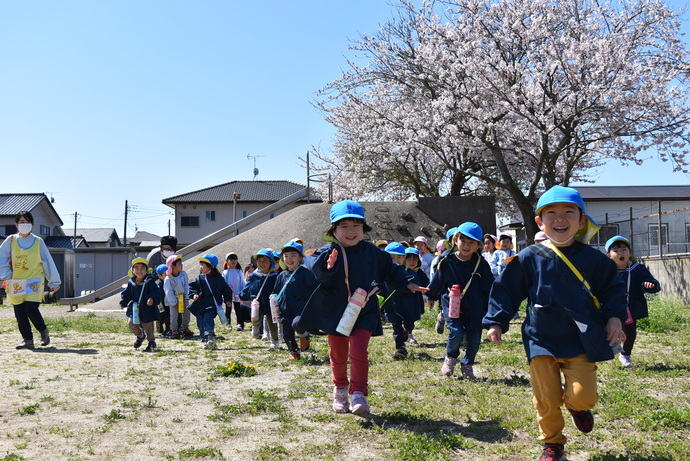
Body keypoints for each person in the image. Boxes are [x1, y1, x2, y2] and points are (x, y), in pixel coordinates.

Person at [483, 185, 627, 461]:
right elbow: (507, 290)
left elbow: (612, 290)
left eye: (568, 212)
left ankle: (577, 408)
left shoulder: (594, 259)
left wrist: (614, 317)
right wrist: (496, 321)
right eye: (551, 213)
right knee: (546, 398)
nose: (560, 218)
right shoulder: (529, 257)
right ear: (540, 222)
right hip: (541, 338)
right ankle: (553, 445)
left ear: (581, 220)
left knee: (584, 396)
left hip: (581, 338)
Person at [295, 200, 427, 414]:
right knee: (338, 355)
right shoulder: (328, 251)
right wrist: (327, 267)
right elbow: (316, 271)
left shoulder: (371, 252)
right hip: (335, 311)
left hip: (364, 309)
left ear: (363, 228)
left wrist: (406, 282)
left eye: (356, 225)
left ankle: (358, 393)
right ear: (333, 229)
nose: (350, 231)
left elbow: (390, 270)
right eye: (344, 226)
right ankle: (340, 389)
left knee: (358, 352)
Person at [426, 223, 494, 379]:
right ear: (456, 240)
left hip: (476, 306)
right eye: (463, 240)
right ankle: (450, 357)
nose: (467, 245)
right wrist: (431, 296)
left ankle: (468, 364)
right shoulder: (446, 260)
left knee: (475, 338)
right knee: (456, 332)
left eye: (472, 242)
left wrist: (492, 306)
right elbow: (437, 280)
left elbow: (489, 287)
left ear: (478, 245)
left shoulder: (481, 264)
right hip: (452, 305)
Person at [0, 211, 61, 349]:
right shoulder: (10, 240)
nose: (25, 224)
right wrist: (6, 276)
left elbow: (47, 261)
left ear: (32, 225)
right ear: (16, 224)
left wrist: (54, 282)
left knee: (31, 310)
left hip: (34, 282)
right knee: (20, 313)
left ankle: (43, 331)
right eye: (22, 222)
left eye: (27, 222)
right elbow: (1, 259)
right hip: (16, 282)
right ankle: (27, 340)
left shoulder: (38, 241)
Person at [605, 236, 661, 367]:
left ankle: (625, 355)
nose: (621, 253)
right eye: (616, 250)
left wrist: (648, 284)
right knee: (610, 331)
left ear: (630, 253)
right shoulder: (606, 270)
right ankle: (607, 351)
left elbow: (653, 283)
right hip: (611, 307)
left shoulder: (638, 269)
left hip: (630, 308)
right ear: (609, 255)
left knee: (630, 333)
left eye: (624, 250)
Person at [272, 241, 318, 360]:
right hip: (285, 310)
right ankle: (294, 352)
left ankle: (304, 335)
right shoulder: (281, 275)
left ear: (300, 258)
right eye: (286, 256)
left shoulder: (305, 273)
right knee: (287, 334)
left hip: (300, 309)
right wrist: (272, 297)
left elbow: (316, 288)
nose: (289, 259)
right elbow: (276, 291)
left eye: (293, 255)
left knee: (297, 324)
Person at [188, 254, 233, 350]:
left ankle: (211, 337)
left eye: (202, 265)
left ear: (210, 266)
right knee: (200, 322)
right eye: (200, 264)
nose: (200, 267)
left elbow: (226, 290)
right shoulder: (200, 278)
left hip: (212, 304)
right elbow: (192, 287)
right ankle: (206, 341)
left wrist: (227, 299)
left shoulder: (218, 278)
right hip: (200, 304)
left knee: (207, 319)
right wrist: (194, 294)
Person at [120, 258, 162, 352]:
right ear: (132, 270)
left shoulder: (149, 281)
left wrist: (151, 298)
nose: (139, 270)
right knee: (131, 324)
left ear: (146, 270)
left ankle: (151, 342)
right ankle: (140, 336)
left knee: (148, 326)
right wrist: (123, 303)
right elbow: (126, 294)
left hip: (147, 308)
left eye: (142, 268)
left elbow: (155, 291)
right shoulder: (131, 282)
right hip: (135, 308)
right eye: (137, 268)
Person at [239, 249, 279, 349]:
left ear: (271, 262)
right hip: (257, 302)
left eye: (265, 260)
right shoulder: (254, 276)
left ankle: (275, 341)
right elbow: (247, 287)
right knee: (255, 317)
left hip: (271, 304)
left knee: (272, 323)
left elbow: (279, 288)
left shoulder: (275, 276)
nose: (262, 263)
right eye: (259, 261)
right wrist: (242, 296)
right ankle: (255, 327)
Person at [404, 247, 429, 346]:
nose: (412, 262)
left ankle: (408, 332)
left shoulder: (419, 272)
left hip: (415, 300)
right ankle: (404, 334)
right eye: (409, 259)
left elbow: (426, 282)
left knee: (412, 318)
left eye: (415, 259)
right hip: (403, 299)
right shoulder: (401, 271)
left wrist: (424, 290)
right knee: (403, 317)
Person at [163, 254, 193, 339]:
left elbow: (186, 286)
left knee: (187, 312)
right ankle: (174, 330)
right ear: (172, 266)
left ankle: (185, 327)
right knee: (173, 315)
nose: (181, 265)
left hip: (183, 298)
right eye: (179, 263)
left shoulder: (183, 274)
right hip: (173, 300)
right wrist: (173, 302)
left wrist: (186, 297)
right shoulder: (168, 278)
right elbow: (168, 291)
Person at [222, 252, 248, 331]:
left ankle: (239, 323)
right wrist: (224, 294)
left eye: (235, 259)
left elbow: (242, 283)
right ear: (227, 261)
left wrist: (242, 293)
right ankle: (228, 324)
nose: (233, 261)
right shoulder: (225, 272)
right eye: (231, 259)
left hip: (237, 293)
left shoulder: (239, 271)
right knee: (228, 309)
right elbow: (223, 284)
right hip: (228, 294)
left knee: (238, 309)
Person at [154, 264, 171, 337]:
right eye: (165, 274)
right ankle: (160, 328)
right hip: (160, 303)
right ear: (159, 276)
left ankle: (168, 329)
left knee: (168, 316)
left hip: (167, 302)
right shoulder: (159, 283)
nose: (167, 275)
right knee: (161, 316)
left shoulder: (168, 281)